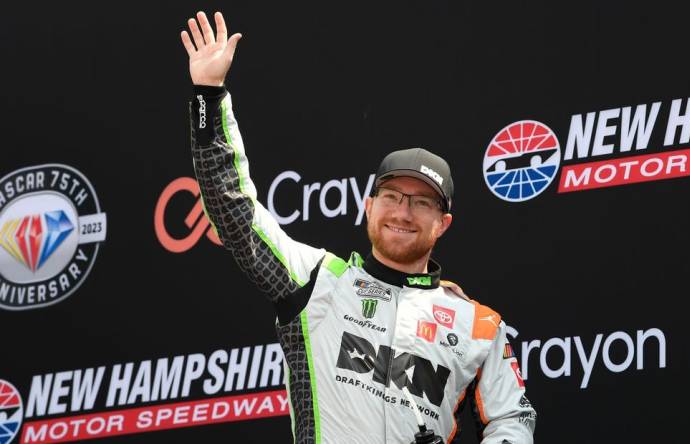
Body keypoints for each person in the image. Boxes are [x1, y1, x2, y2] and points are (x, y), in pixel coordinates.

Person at [181, 11, 536, 444]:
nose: (403, 213)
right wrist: (209, 96)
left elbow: (512, 421)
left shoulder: (479, 325)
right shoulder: (318, 284)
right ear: (369, 207)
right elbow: (234, 213)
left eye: (421, 203)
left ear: (443, 224)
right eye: (391, 197)